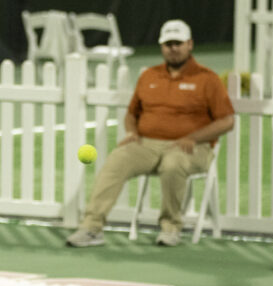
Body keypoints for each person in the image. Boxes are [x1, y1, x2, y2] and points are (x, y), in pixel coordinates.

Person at [66, 19, 234, 247]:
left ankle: (171, 228)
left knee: (173, 164)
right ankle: (91, 228)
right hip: (147, 144)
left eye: (178, 43)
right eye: (168, 44)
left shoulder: (208, 79)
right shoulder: (149, 76)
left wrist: (193, 138)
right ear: (162, 47)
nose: (173, 48)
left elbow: (227, 120)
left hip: (192, 147)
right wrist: (132, 132)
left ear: (189, 44)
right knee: (117, 160)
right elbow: (131, 114)